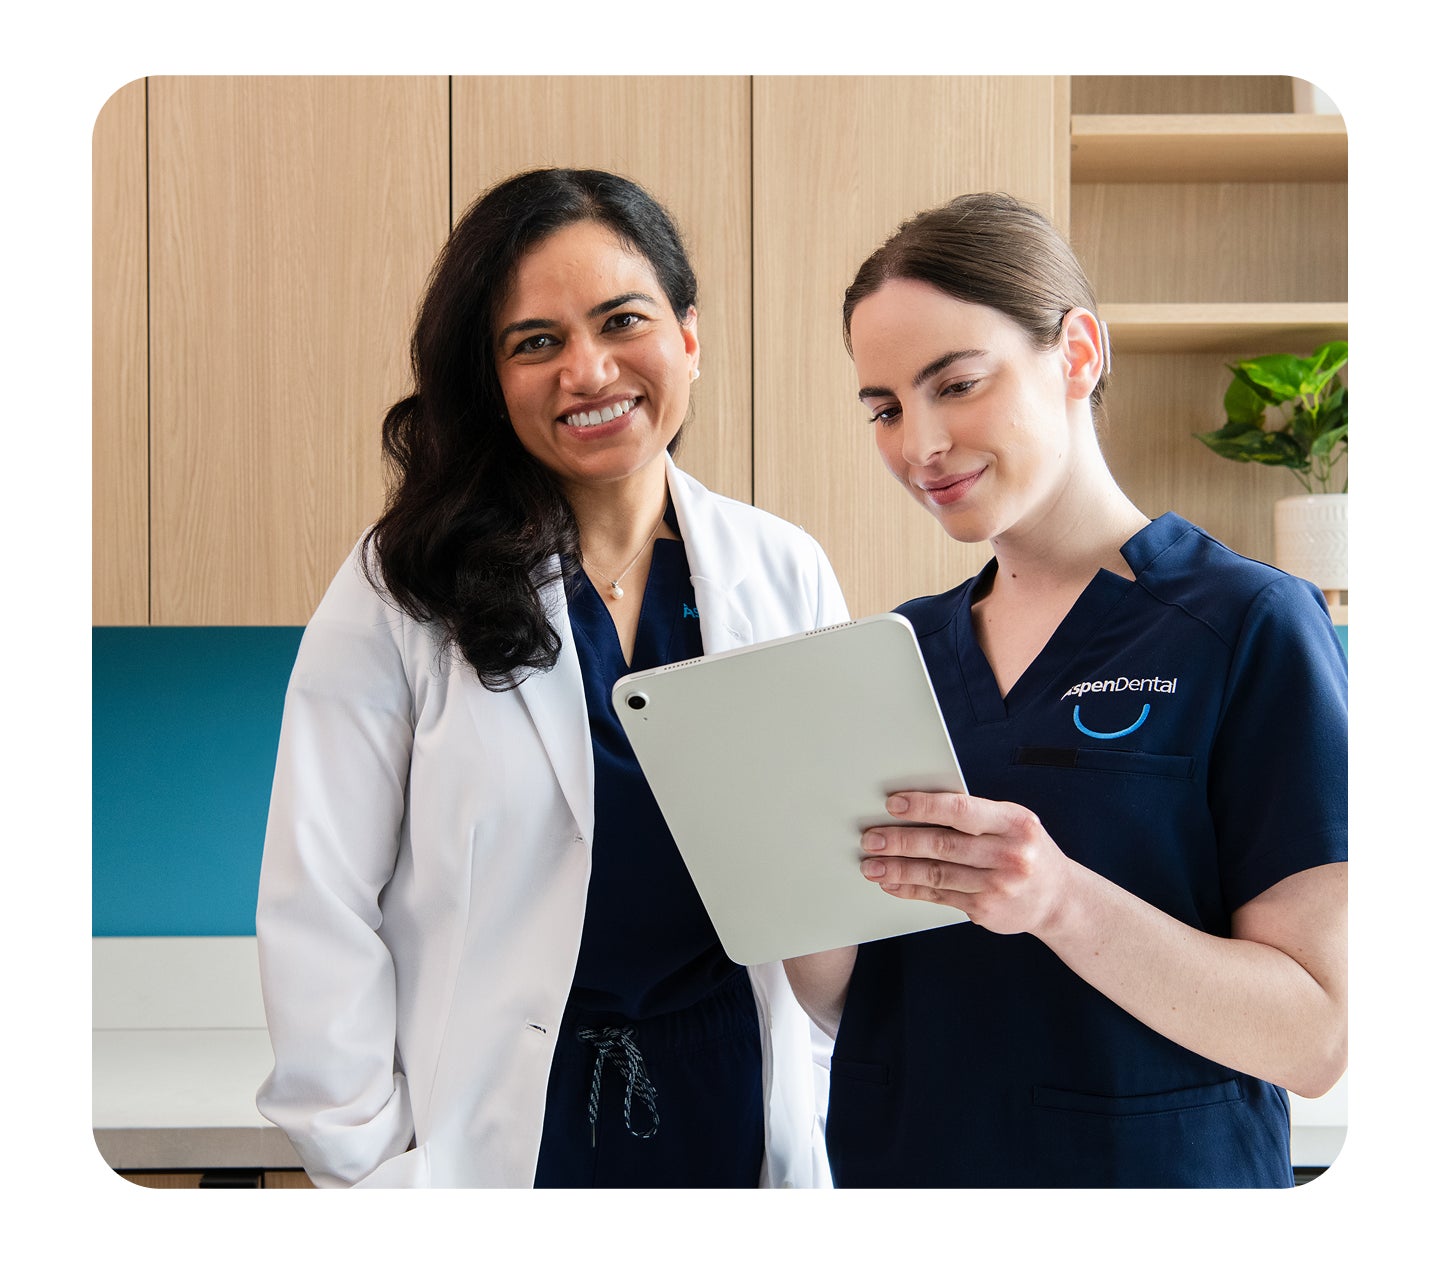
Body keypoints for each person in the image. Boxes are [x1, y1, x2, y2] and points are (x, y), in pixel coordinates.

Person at [255, 168, 848, 1188]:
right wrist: (372, 1165)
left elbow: (836, 890)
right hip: (498, 1136)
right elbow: (319, 901)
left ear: (690, 338)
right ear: (492, 379)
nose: (588, 369)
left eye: (623, 320)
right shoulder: (399, 589)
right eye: (537, 342)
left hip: (733, 1110)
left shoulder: (781, 570)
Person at [784, 192, 1347, 1188]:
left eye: (954, 383)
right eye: (884, 407)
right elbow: (860, 1006)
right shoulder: (894, 650)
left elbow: (1315, 1036)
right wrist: (782, 880)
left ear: (1078, 353)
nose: (919, 443)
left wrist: (1058, 900)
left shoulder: (1250, 624)